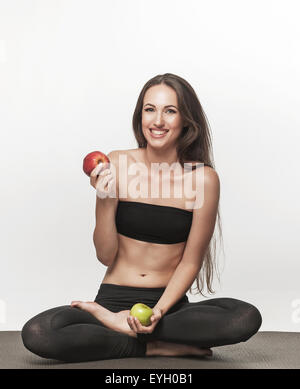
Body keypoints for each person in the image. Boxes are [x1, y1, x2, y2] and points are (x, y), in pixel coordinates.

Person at [21, 73, 262, 363]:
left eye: (169, 111)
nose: (157, 121)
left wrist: (158, 312)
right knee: (39, 332)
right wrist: (104, 199)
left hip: (168, 306)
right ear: (140, 115)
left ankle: (131, 331)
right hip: (112, 301)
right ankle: (148, 344)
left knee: (244, 317)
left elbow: (190, 261)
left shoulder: (204, 179)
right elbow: (106, 255)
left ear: (186, 120)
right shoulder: (117, 163)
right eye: (150, 109)